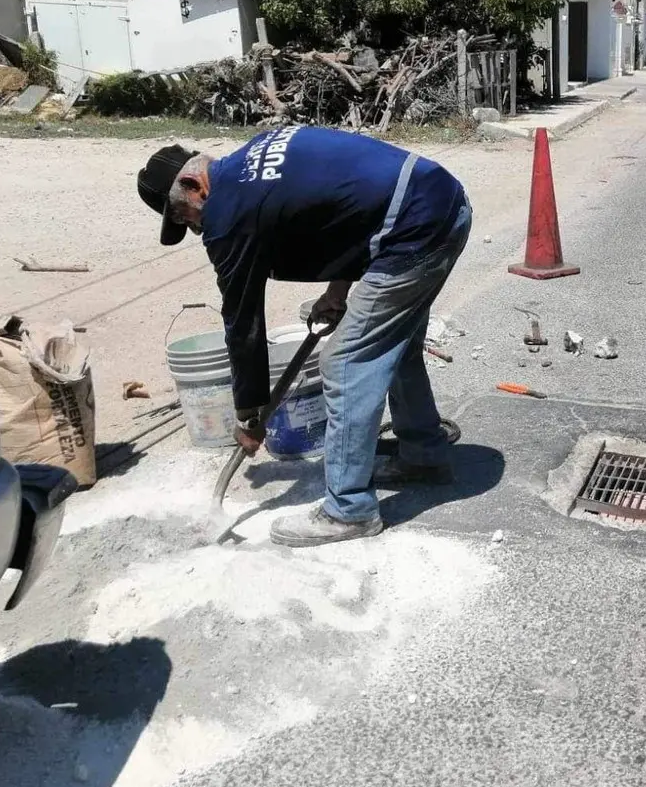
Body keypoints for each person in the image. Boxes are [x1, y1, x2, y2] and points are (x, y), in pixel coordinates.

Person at [137, 126, 470, 547]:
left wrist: (248, 415)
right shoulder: (254, 159)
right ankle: (424, 456)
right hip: (436, 204)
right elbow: (349, 211)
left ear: (193, 185)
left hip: (417, 228)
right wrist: (336, 292)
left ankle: (349, 511)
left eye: (185, 216)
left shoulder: (228, 213)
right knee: (393, 347)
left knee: (344, 361)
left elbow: (243, 324)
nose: (196, 230)